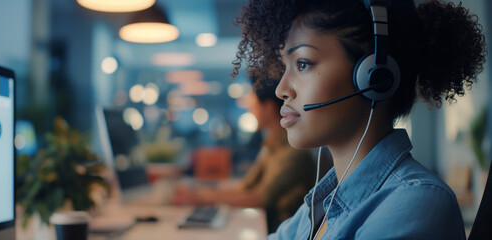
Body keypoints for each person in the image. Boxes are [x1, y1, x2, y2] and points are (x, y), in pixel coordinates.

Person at [231, 0, 486, 239]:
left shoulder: (417, 203)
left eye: (303, 64)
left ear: (374, 76)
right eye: (285, 66)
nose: (281, 89)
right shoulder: (324, 203)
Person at [174, 77, 315, 232]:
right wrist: (199, 193)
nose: (250, 110)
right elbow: (245, 187)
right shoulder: (270, 148)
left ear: (267, 107)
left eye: (253, 105)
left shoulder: (294, 153)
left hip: (286, 233)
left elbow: (260, 198)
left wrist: (201, 197)